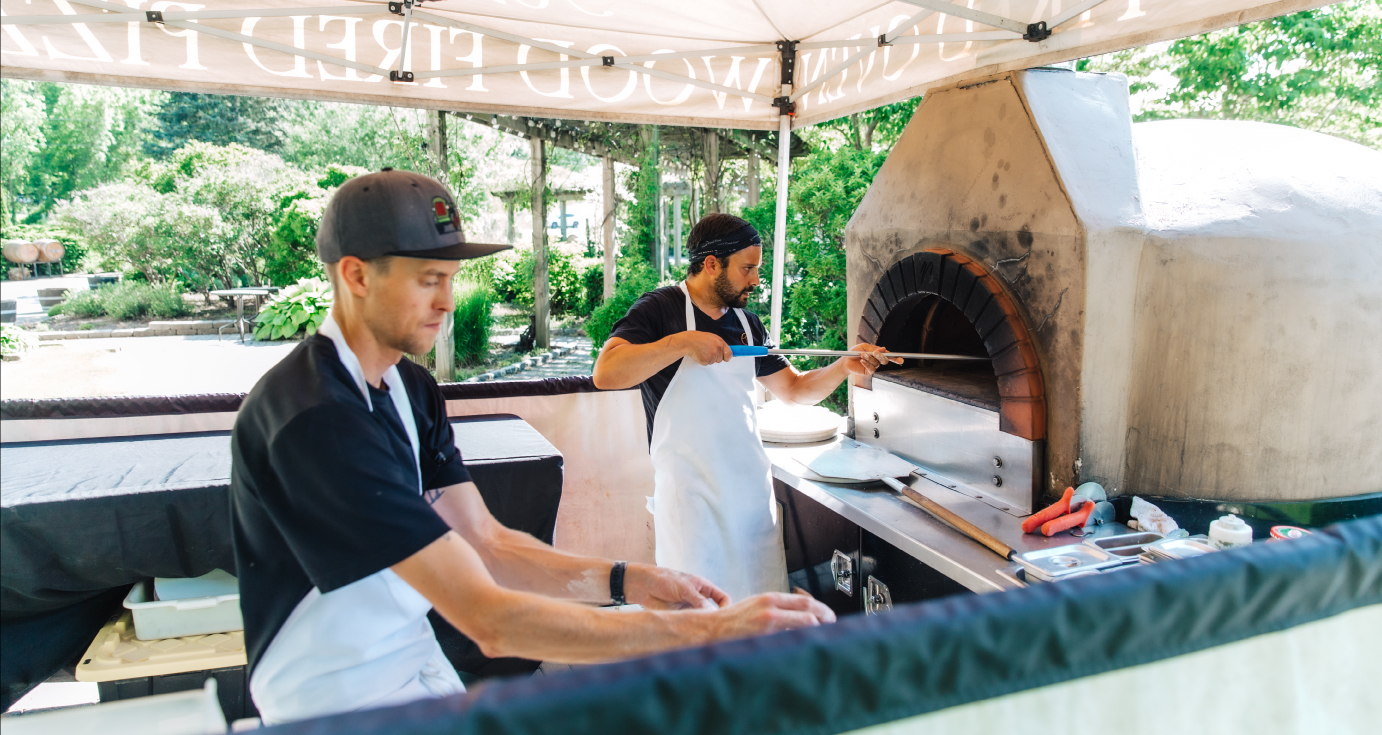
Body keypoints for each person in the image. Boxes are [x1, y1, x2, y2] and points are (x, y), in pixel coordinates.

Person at [229, 171, 834, 725]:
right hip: (329, 697)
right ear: (356, 275)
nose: (446, 301)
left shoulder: (412, 389)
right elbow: (489, 620)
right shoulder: (314, 417)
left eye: (450, 279)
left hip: (411, 658)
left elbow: (488, 545)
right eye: (427, 279)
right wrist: (706, 632)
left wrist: (630, 580)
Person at [591, 213, 899, 602]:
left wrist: (842, 366)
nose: (755, 280)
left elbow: (794, 389)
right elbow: (606, 372)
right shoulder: (661, 309)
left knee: (762, 614)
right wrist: (683, 343)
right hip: (692, 504)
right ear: (711, 264)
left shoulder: (747, 324)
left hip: (751, 499)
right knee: (698, 618)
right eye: (747, 268)